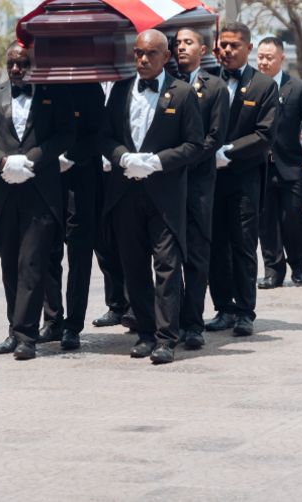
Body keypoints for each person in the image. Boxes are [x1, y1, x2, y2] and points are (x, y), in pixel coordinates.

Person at [101, 29, 204, 364]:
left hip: (165, 195)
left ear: (167, 56)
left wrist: (159, 161)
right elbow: (104, 136)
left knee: (167, 267)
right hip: (126, 193)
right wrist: (122, 157)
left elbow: (194, 145)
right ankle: (145, 333)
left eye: (151, 54)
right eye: (138, 53)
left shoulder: (183, 93)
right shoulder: (119, 91)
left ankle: (166, 338)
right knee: (133, 268)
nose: (143, 59)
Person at [0, 42, 73, 360]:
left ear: (34, 64)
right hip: (5, 192)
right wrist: (3, 163)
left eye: (23, 64)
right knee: (9, 263)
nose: (16, 69)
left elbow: (65, 134)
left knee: (32, 263)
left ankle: (28, 336)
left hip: (40, 191)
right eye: (11, 63)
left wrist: (29, 160)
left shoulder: (53, 92)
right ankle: (14, 330)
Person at [205, 22, 278, 337]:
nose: (227, 51)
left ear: (249, 49)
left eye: (235, 45)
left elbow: (265, 134)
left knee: (244, 244)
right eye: (223, 45)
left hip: (244, 177)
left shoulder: (264, 85)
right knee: (215, 245)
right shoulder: (206, 81)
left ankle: (245, 311)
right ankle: (223, 308)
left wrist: (230, 151)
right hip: (209, 178)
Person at [42, 79, 118, 350]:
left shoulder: (88, 88)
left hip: (82, 175)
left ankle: (73, 325)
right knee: (48, 248)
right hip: (48, 175)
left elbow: (98, 133)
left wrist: (70, 155)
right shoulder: (43, 87)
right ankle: (52, 320)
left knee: (79, 251)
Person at [174, 27, 227, 351]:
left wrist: (182, 159)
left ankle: (193, 323)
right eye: (177, 43)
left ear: (203, 49)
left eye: (188, 42)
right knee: (167, 257)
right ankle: (169, 320)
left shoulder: (215, 86)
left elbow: (215, 137)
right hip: (167, 182)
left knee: (196, 255)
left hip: (198, 184)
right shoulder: (166, 82)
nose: (181, 47)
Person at [256, 37, 302, 289]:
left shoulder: (298, 88)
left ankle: (298, 264)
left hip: (290, 165)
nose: (264, 61)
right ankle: (273, 270)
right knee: (265, 219)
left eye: (269, 57)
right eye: (260, 56)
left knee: (292, 217)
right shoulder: (250, 86)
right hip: (258, 166)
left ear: (281, 59)